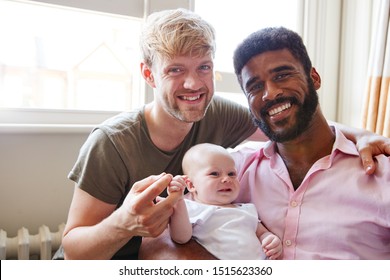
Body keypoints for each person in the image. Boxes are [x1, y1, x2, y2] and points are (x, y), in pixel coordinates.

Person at [61, 8, 390, 260]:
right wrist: (125, 224)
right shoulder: (113, 143)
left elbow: (290, 123)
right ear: (149, 74)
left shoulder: (220, 113)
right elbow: (73, 249)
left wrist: (359, 135)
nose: (193, 84)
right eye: (175, 70)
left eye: (203, 67)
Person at [229, 26, 390, 259]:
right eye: (255, 86)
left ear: (314, 78)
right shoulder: (232, 171)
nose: (270, 93)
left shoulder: (382, 173)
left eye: (282, 75)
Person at [167, 143, 282, 260]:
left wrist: (270, 239)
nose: (226, 179)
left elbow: (262, 233)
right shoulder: (190, 208)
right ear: (191, 184)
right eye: (214, 174)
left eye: (231, 174)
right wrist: (178, 200)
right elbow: (181, 237)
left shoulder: (246, 209)